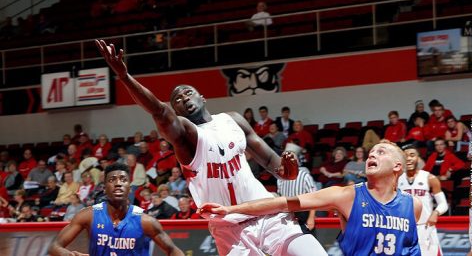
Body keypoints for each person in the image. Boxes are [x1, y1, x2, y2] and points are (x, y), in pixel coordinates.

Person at [95, 39, 325, 255]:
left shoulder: (233, 119)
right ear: (176, 112)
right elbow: (158, 111)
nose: (184, 98)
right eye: (177, 99)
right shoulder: (187, 137)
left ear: (202, 97)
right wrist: (124, 77)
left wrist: (290, 172)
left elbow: (276, 168)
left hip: (267, 213)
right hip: (229, 228)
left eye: (188, 92)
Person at [200, 140, 422, 256]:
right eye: (371, 152)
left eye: (381, 152)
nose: (373, 154)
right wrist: (230, 210)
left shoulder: (414, 206)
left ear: (397, 166)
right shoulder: (348, 195)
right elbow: (282, 202)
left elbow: (412, 249)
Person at [48, 163, 183, 256]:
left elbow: (173, 250)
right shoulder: (88, 215)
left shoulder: (146, 221)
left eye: (123, 180)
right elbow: (54, 246)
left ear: (130, 187)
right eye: (112, 180)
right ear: (104, 187)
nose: (118, 183)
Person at [398, 145, 448, 256]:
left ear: (418, 159)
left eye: (412, 155)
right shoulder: (397, 180)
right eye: (405, 156)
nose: (408, 158)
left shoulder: (429, 178)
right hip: (403, 229)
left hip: (424, 227)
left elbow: (443, 204)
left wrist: (435, 213)